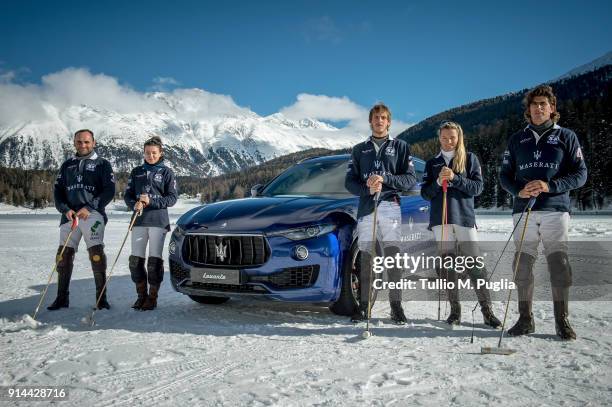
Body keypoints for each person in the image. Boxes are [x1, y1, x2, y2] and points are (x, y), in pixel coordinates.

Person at [500, 85, 587, 340]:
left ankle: (562, 321)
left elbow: (581, 175)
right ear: (528, 109)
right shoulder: (517, 139)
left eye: (543, 104)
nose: (538, 108)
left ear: (552, 108)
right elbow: (504, 176)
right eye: (534, 104)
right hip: (524, 210)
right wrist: (518, 190)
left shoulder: (566, 136)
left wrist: (551, 185)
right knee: (522, 265)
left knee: (559, 264)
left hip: (555, 209)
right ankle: (526, 320)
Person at [421, 121, 502, 327]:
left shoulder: (469, 158)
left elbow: (477, 188)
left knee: (475, 265)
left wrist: (456, 178)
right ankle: (455, 312)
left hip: (464, 218)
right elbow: (425, 193)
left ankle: (487, 311)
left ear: (459, 138)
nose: (449, 141)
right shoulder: (432, 163)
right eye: (445, 137)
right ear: (439, 138)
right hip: (440, 220)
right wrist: (438, 183)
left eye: (453, 137)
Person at [345, 103, 417, 324]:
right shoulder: (359, 149)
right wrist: (367, 188)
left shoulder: (401, 146)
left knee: (394, 259)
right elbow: (349, 182)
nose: (379, 121)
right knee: (366, 259)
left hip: (390, 206)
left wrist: (386, 179)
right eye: (376, 117)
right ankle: (364, 307)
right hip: (367, 209)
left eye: (383, 118)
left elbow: (410, 179)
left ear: (389, 122)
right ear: (370, 121)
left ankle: (396, 307)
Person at [49, 129, 115, 310]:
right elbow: (58, 192)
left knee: (96, 255)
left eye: (86, 142)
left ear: (94, 143)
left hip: (92, 215)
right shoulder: (67, 165)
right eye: (79, 142)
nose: (83, 145)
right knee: (63, 256)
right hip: (69, 216)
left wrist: (90, 207)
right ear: (74, 143)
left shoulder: (103, 164)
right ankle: (62, 299)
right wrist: (65, 209)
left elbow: (109, 191)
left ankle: (101, 299)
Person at [124, 136, 177, 310]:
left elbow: (172, 198)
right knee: (135, 261)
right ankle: (141, 296)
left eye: (154, 153)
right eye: (147, 153)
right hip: (139, 220)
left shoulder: (166, 172)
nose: (151, 156)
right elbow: (128, 195)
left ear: (160, 153)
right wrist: (134, 204)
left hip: (158, 221)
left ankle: (152, 298)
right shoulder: (136, 171)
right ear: (144, 153)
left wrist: (151, 202)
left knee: (154, 262)